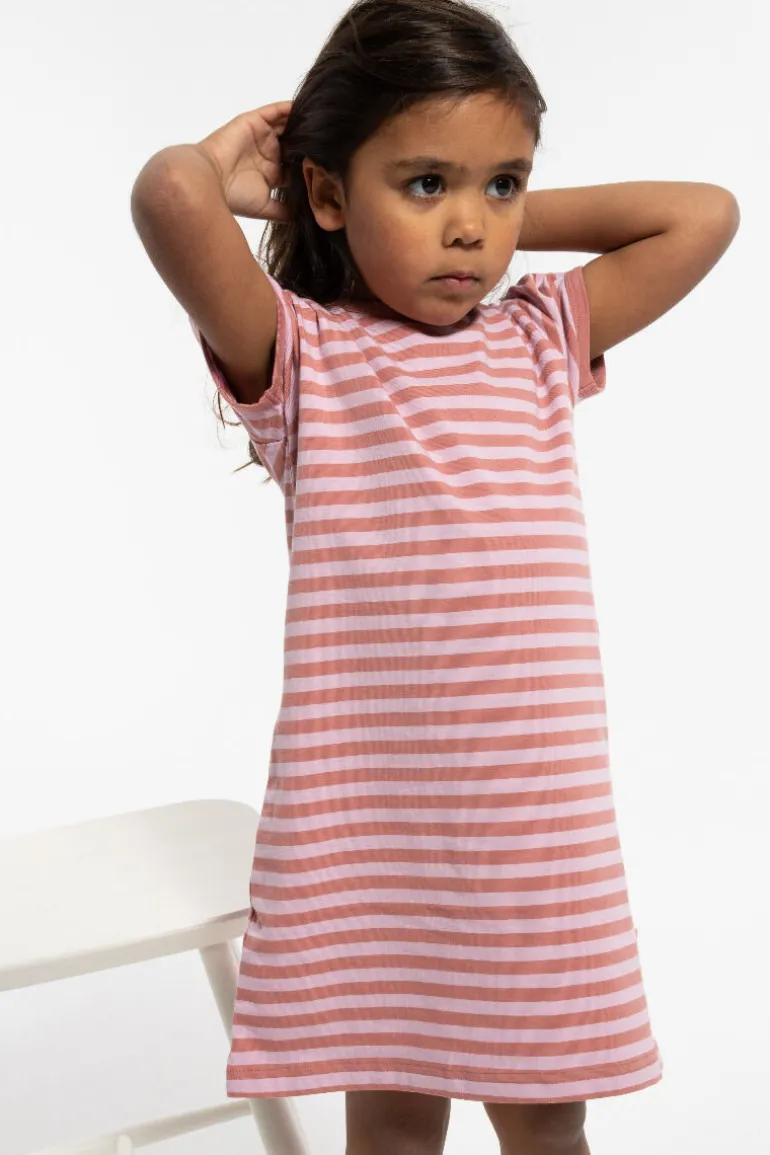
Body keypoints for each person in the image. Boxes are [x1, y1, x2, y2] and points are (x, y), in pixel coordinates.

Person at [130, 1, 740, 1152]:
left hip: (532, 831)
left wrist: (461, 204)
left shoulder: (539, 335)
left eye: (501, 184)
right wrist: (263, 181)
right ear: (324, 194)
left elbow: (702, 214)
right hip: (375, 831)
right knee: (395, 1125)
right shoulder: (305, 357)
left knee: (545, 1120)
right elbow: (170, 196)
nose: (469, 227)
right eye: (424, 186)